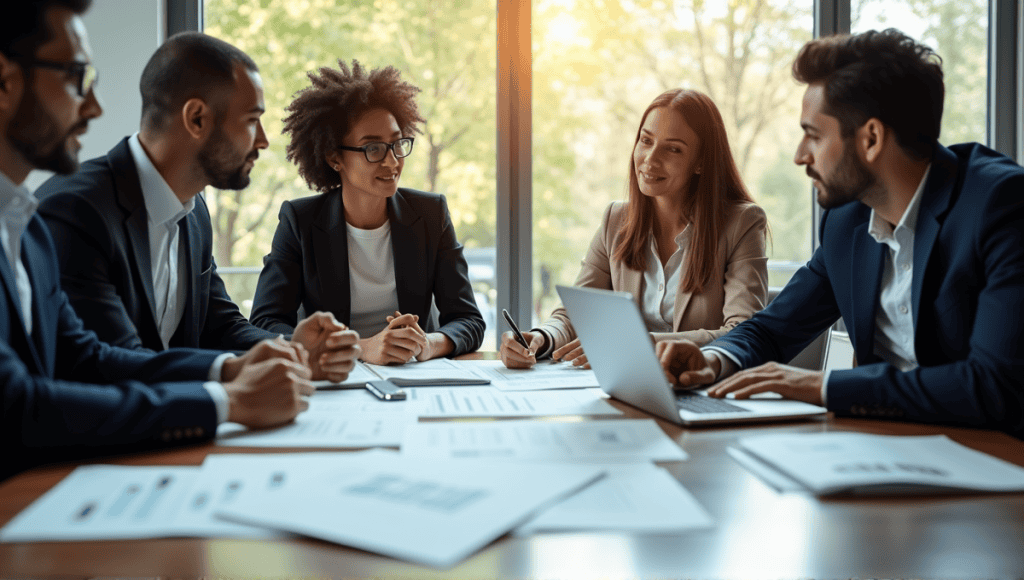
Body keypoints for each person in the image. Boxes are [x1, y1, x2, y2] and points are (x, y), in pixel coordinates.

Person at [0, 0, 320, 481]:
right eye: (75, 77)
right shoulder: (67, 211)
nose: (95, 107)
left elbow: (85, 356)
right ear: (5, 82)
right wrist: (226, 400)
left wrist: (237, 369)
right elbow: (21, 403)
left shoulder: (26, 227)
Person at [657, 29, 1024, 436]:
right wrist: (713, 359)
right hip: (882, 450)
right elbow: (773, 328)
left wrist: (823, 386)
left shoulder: (1001, 205)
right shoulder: (847, 220)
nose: (800, 156)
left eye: (813, 135)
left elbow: (995, 385)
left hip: (996, 459)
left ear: (870, 139)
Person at [33, 32, 359, 382]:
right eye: (251, 120)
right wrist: (235, 378)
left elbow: (219, 324)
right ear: (197, 119)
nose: (263, 140)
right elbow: (114, 362)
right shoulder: (77, 211)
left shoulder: (194, 211)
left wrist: (294, 348)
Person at [500, 89, 768, 370]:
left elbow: (742, 331)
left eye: (673, 148)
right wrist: (541, 338)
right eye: (646, 141)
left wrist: (643, 343)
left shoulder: (742, 223)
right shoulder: (615, 219)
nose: (650, 159)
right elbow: (577, 315)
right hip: (625, 385)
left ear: (701, 161)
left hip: (697, 387)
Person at [249, 60, 485, 365]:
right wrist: (360, 348)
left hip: (412, 377)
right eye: (373, 149)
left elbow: (469, 320)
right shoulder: (300, 221)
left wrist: (428, 344)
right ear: (335, 157)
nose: (392, 162)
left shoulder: (430, 214)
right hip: (335, 377)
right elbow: (264, 324)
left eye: (397, 144)